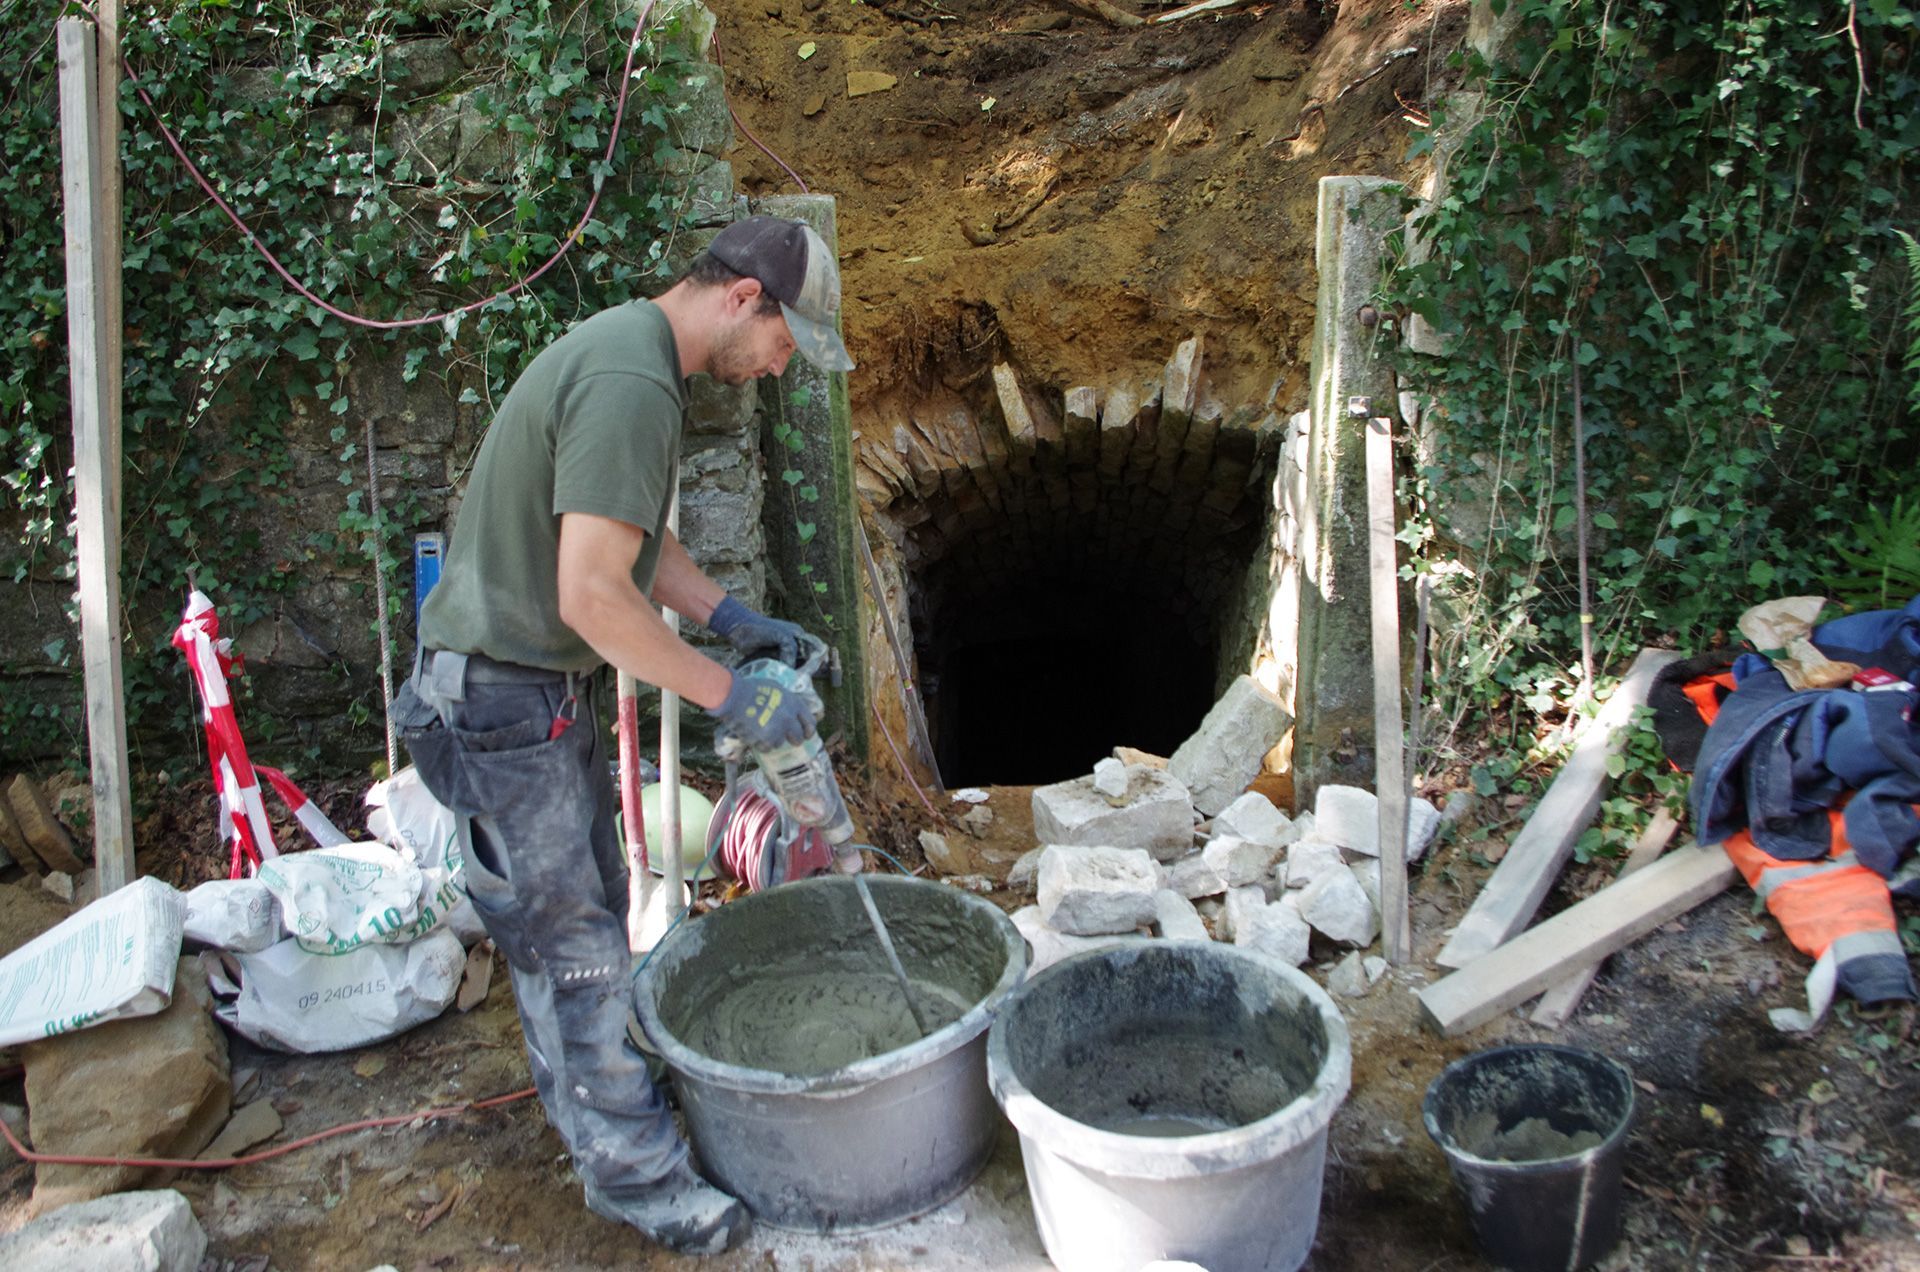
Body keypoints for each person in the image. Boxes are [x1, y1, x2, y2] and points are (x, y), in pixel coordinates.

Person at [393, 215, 856, 1255]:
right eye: (787, 346)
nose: (779, 370)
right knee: (581, 953)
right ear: (745, 299)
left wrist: (728, 618)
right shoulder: (632, 382)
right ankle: (639, 1180)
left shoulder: (630, 356)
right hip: (501, 705)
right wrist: (731, 697)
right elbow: (596, 595)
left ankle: (604, 1114)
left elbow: (638, 548)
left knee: (589, 919)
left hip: (523, 698)